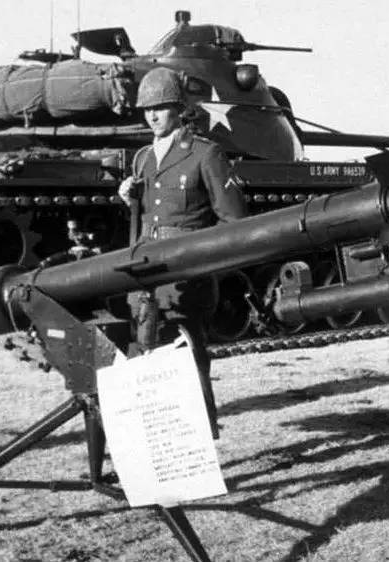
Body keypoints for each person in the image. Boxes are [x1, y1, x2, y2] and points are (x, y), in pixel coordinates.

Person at [118, 67, 247, 433]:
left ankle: (203, 439)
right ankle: (157, 443)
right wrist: (129, 199)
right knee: (146, 362)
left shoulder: (205, 153)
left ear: (179, 108)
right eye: (147, 109)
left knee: (190, 359)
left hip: (186, 276)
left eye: (160, 108)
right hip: (147, 274)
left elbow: (234, 221)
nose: (153, 116)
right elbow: (148, 217)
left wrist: (202, 264)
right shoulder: (143, 158)